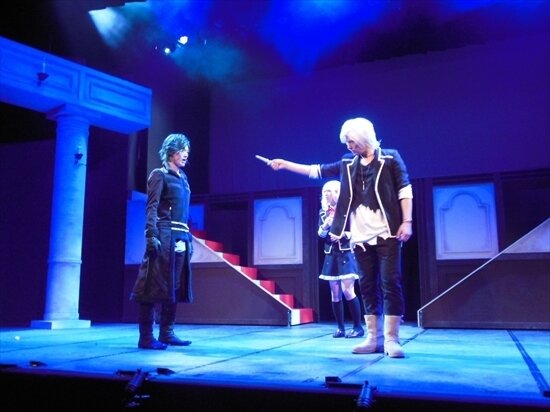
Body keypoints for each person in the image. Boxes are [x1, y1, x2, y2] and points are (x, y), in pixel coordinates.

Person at [267, 117, 413, 358]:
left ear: (364, 137)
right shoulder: (347, 163)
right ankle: (373, 338)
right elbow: (317, 170)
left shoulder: (390, 158)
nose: (348, 146)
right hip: (360, 237)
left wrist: (406, 221)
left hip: (387, 233)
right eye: (347, 142)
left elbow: (404, 190)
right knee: (367, 286)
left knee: (390, 283)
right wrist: (286, 165)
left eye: (351, 141)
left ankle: (392, 339)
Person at [130, 133, 194, 350]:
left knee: (173, 287)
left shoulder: (183, 178)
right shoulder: (159, 175)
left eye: (187, 150)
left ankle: (167, 333)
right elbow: (152, 207)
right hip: (164, 237)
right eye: (182, 150)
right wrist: (151, 235)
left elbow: (183, 212)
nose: (186, 154)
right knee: (151, 287)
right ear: (171, 151)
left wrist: (188, 237)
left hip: (181, 237)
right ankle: (146, 337)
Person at [318, 180, 364, 339]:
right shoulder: (323, 212)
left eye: (330, 191)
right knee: (335, 292)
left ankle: (358, 327)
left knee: (347, 290)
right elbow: (320, 235)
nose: (327, 194)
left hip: (346, 252)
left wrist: (344, 235)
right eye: (325, 191)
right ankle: (340, 328)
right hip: (331, 253)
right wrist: (325, 226)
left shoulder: (349, 210)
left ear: (338, 192)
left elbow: (358, 230)